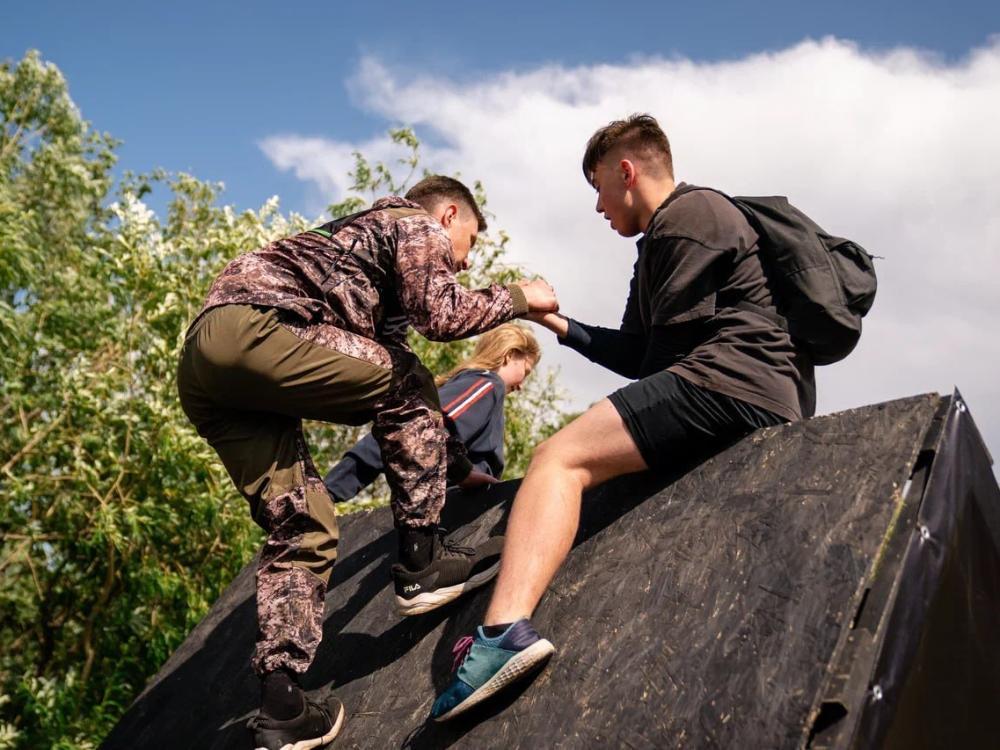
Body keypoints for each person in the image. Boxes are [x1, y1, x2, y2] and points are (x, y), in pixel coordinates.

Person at [431, 114, 816, 721]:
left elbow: (662, 360)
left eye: (598, 189)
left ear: (626, 172)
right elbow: (640, 356)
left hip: (734, 381)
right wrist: (554, 323)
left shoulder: (692, 218)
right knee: (583, 445)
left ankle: (502, 632)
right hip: (731, 384)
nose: (598, 207)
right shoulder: (661, 241)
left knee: (559, 457)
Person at [176, 175, 558, 749]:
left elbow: (410, 397)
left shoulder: (360, 259)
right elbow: (441, 316)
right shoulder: (412, 222)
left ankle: (282, 709)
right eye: (472, 241)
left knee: (303, 523)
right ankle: (420, 561)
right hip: (261, 327)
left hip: (207, 362)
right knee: (405, 379)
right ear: (450, 215)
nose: (466, 258)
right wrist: (523, 298)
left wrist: (455, 469)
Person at [324, 320, 540, 508]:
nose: (522, 385)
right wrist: (331, 491)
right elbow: (411, 430)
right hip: (451, 511)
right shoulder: (487, 385)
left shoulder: (477, 387)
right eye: (526, 372)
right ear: (509, 355)